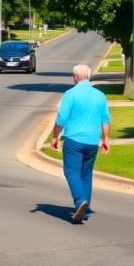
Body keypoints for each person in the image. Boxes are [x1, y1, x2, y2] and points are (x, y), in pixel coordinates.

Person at [50, 64, 111, 224]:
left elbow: (61, 118)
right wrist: (106, 139)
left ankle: (80, 201)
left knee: (71, 171)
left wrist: (55, 136)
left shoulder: (70, 94)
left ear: (75, 77)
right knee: (86, 174)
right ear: (88, 76)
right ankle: (83, 209)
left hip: (74, 140)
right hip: (92, 141)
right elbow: (106, 120)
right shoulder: (100, 95)